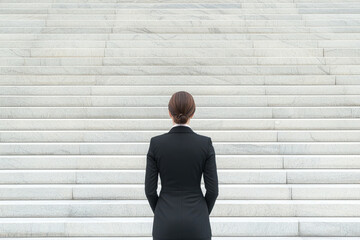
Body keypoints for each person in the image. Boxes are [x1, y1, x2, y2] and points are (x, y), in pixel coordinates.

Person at [145, 91, 219, 240]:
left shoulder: (156, 144)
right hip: (197, 221)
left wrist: (161, 211)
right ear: (193, 113)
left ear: (169, 112)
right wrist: (202, 212)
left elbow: (150, 191)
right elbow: (213, 191)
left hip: (165, 221)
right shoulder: (205, 144)